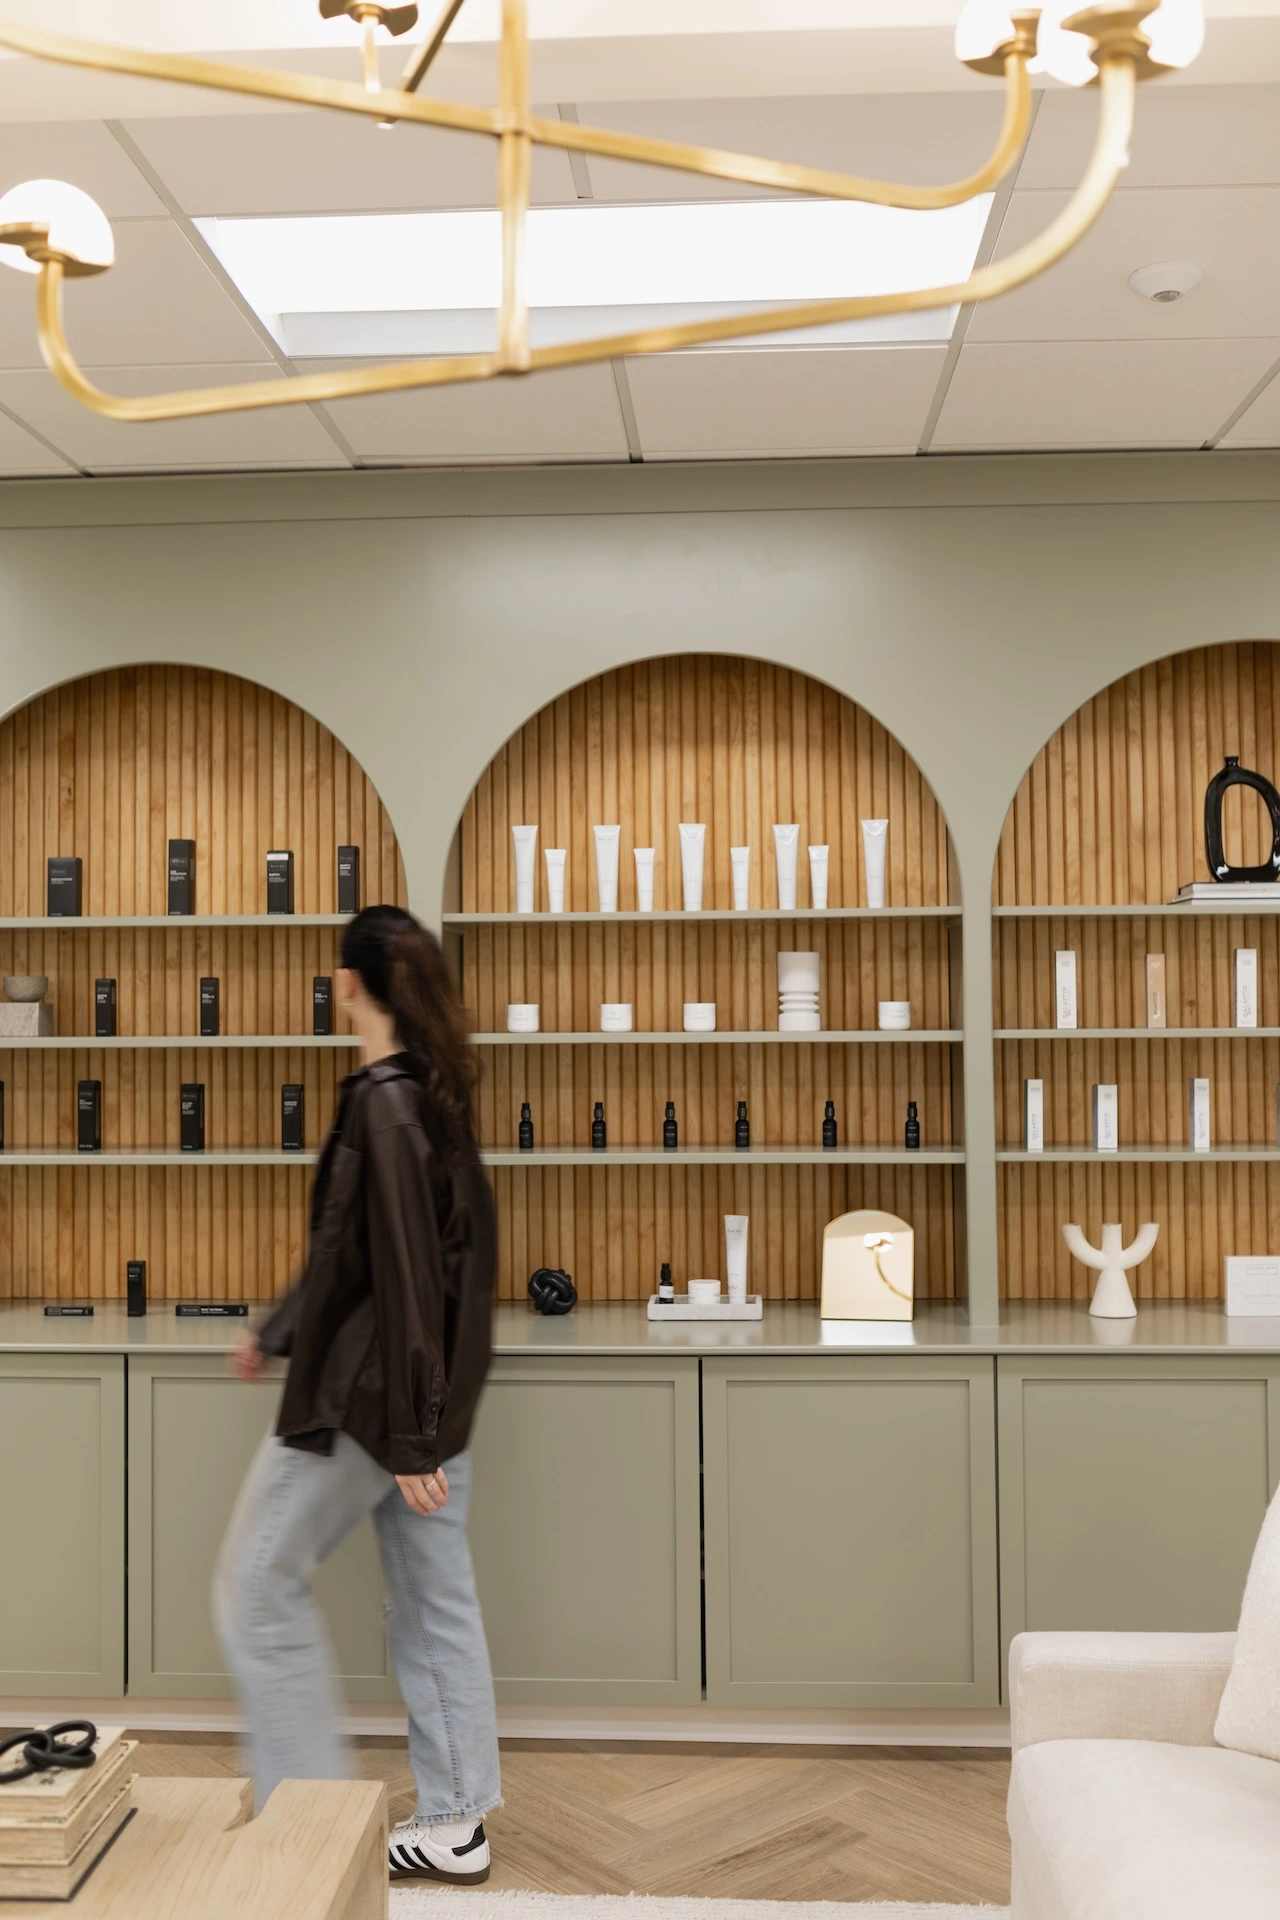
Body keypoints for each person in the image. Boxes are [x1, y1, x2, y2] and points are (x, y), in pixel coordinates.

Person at [213, 904, 500, 1885]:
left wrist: (410, 1439)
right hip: (423, 1406)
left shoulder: (383, 1102)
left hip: (367, 1408)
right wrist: (276, 1328)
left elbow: (409, 1274)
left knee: (254, 1592)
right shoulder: (425, 1090)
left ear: (347, 983)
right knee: (433, 1605)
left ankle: (305, 1829)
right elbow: (351, 1254)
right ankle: (456, 1821)